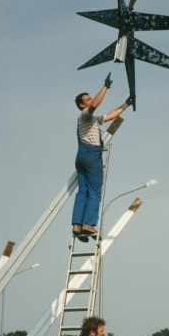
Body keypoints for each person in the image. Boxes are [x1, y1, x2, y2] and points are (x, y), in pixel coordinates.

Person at [72, 73, 133, 241]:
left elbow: (111, 115)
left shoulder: (91, 120)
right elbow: (96, 105)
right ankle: (89, 224)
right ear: (82, 104)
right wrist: (105, 86)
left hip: (81, 155)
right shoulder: (84, 114)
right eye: (88, 99)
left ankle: (77, 225)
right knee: (94, 191)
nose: (91, 101)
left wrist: (126, 103)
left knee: (83, 191)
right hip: (91, 154)